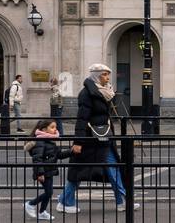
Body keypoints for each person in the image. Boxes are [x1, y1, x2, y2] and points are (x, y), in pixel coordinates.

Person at [55, 64, 139, 213]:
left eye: (108, 74)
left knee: (113, 168)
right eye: (105, 74)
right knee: (79, 172)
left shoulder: (104, 92)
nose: (107, 77)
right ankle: (65, 201)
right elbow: (81, 119)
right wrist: (79, 142)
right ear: (96, 75)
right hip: (89, 140)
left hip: (104, 138)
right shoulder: (86, 94)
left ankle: (122, 200)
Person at [24, 118, 71, 220]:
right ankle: (30, 204)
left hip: (49, 170)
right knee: (48, 192)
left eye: (56, 127)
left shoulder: (50, 141)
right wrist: (40, 173)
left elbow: (59, 155)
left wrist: (72, 151)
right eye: (52, 127)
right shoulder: (40, 142)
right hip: (43, 171)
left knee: (48, 192)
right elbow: (37, 159)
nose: (55, 129)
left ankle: (42, 212)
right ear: (44, 130)